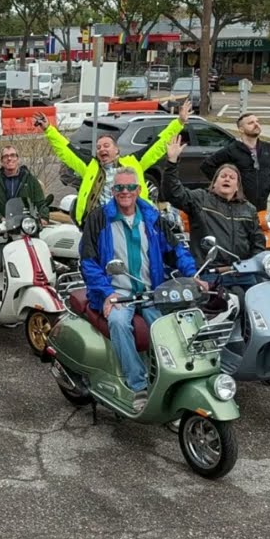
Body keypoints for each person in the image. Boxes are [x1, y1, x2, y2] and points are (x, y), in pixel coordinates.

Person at [79, 169, 200, 412]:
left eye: (130, 187)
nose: (125, 192)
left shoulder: (152, 217)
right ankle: (138, 386)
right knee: (119, 324)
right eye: (120, 188)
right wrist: (106, 293)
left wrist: (193, 275)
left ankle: (168, 379)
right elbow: (88, 262)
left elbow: (175, 249)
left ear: (139, 190)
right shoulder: (99, 218)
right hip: (117, 293)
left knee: (169, 326)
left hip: (150, 292)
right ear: (113, 192)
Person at [34, 100, 189, 224]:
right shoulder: (90, 167)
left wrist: (179, 123)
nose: (102, 149)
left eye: (106, 146)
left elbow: (158, 144)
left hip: (131, 223)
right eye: (99, 147)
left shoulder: (133, 163)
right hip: (98, 224)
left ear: (117, 150)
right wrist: (49, 130)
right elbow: (66, 150)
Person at [161, 134, 265, 288]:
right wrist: (172, 162)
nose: (227, 179)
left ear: (237, 187)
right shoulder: (200, 199)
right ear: (214, 183)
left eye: (232, 177)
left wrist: (254, 264)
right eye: (223, 176)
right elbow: (173, 193)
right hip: (210, 272)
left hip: (242, 273)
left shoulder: (248, 209)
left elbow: (258, 241)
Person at [199, 113, 270, 212]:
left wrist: (269, 181)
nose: (256, 124)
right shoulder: (232, 150)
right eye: (251, 123)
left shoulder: (269, 149)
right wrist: (228, 183)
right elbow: (206, 166)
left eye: (257, 121)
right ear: (241, 129)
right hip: (237, 206)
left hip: (260, 207)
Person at [0, 144, 46, 220]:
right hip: (3, 226)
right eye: (6, 156)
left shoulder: (30, 180)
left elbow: (41, 203)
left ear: (18, 159)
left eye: (12, 155)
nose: (9, 158)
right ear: (1, 161)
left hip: (26, 225)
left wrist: (44, 218)